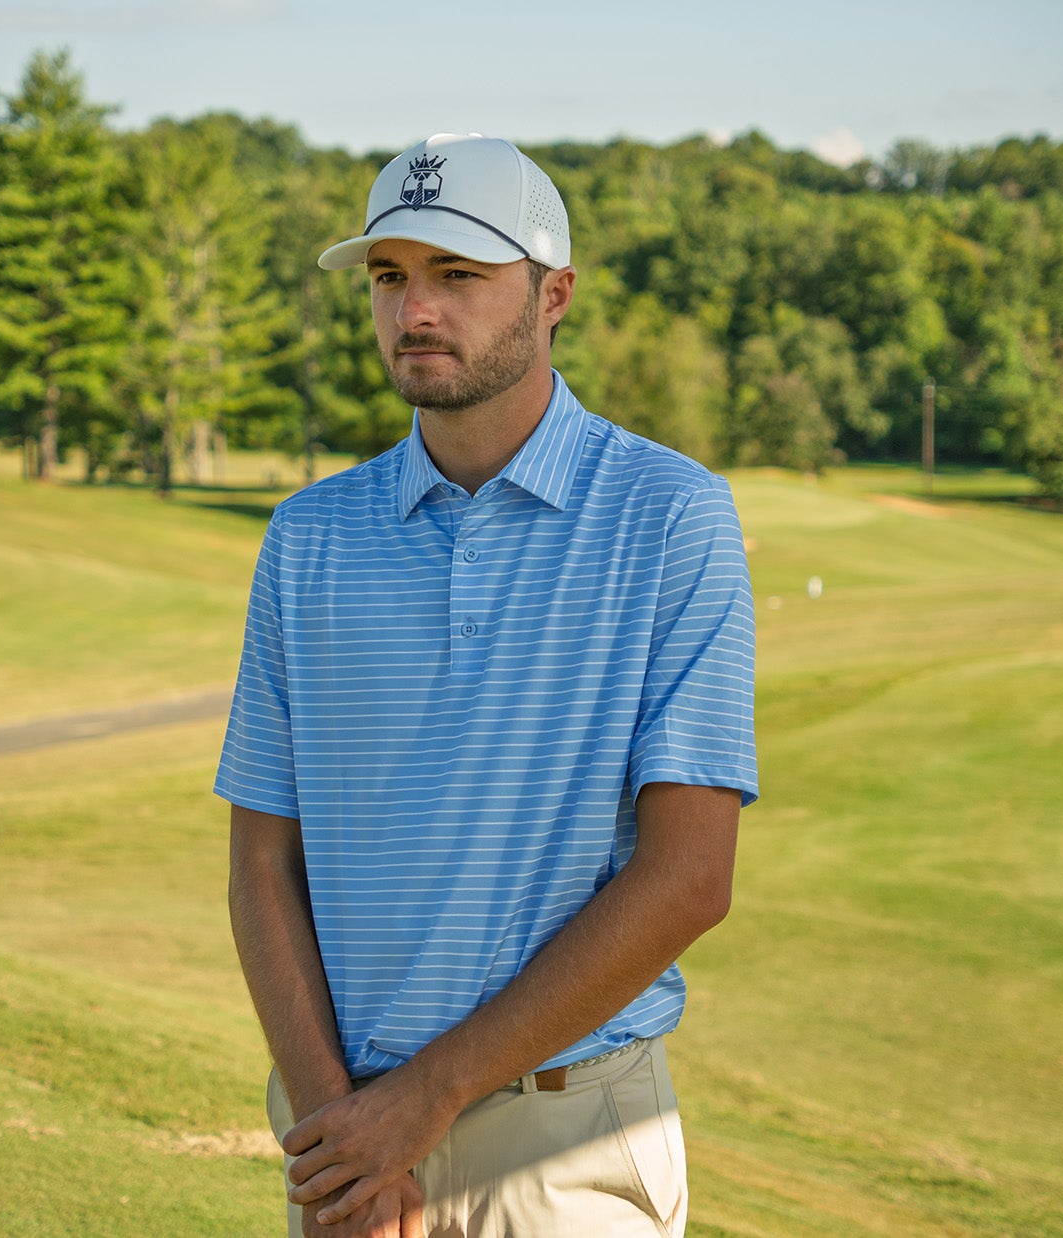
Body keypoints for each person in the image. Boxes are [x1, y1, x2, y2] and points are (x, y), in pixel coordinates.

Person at [218, 133, 757, 1238]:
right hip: (348, 1134)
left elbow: (690, 877)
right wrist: (341, 1136)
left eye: (457, 274)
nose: (414, 310)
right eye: (388, 276)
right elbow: (263, 863)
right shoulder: (308, 537)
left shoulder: (670, 516)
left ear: (554, 295)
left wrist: (420, 1103)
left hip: (569, 1142)